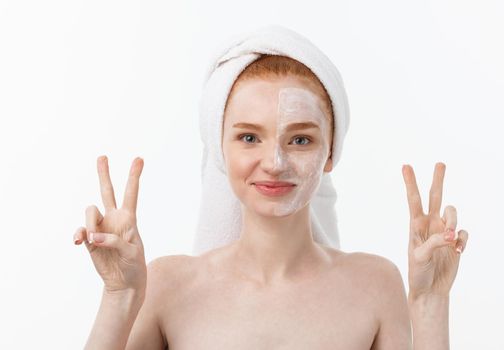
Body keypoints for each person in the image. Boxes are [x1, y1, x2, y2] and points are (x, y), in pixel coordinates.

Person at [73, 34, 469, 350]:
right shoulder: (167, 284)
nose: (275, 161)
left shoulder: (375, 285)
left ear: (331, 152)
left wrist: (430, 303)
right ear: (220, 150)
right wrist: (120, 296)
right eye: (249, 137)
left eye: (300, 140)